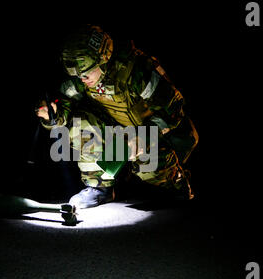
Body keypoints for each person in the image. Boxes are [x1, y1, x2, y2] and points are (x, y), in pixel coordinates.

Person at [35, 25, 198, 209]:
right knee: (79, 124)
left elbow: (173, 112)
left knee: (149, 164)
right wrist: (53, 115)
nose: (81, 78)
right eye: (76, 74)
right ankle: (99, 188)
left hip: (160, 135)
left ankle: (176, 185)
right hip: (121, 138)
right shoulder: (83, 75)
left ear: (102, 60)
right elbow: (65, 101)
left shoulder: (137, 70)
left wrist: (143, 136)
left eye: (86, 72)